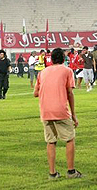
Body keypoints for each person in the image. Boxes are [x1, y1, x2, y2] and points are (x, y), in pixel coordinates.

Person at [33, 48, 82, 179]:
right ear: (63, 59)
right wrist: (74, 114)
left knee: (51, 141)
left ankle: (52, 173)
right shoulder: (67, 71)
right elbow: (70, 93)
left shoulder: (42, 73)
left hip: (45, 110)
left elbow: (35, 93)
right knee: (70, 139)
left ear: (51, 59)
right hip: (60, 110)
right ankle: (71, 171)